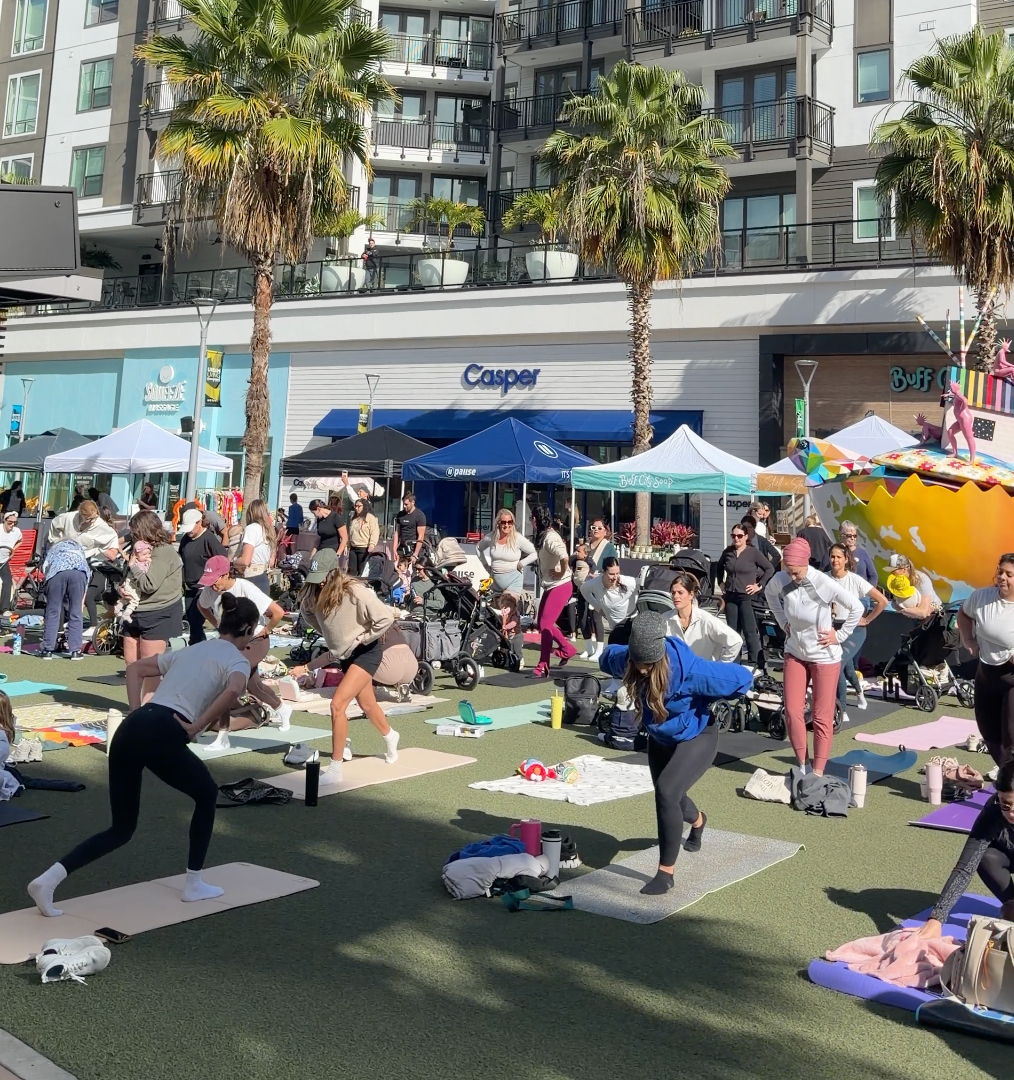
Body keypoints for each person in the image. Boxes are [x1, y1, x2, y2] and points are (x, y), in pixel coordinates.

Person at [27, 594, 263, 918]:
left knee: (121, 829)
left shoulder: (192, 649)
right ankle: (194, 884)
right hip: (164, 729)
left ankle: (47, 881)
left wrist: (136, 711)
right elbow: (234, 690)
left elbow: (135, 669)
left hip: (132, 727)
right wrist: (196, 726)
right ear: (248, 629)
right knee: (207, 794)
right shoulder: (237, 660)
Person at [600, 612, 753, 895]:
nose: (642, 670)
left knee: (667, 792)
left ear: (658, 658)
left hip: (697, 736)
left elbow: (742, 678)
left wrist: (717, 693)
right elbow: (607, 656)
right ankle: (698, 820)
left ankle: (665, 874)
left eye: (648, 665)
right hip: (660, 739)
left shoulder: (691, 671)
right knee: (672, 797)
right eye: (637, 663)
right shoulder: (628, 660)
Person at [291, 549, 400, 784]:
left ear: (333, 573)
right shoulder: (313, 593)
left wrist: (362, 638)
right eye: (315, 578)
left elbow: (385, 618)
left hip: (367, 651)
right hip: (346, 654)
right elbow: (310, 616)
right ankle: (391, 736)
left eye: (322, 578)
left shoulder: (355, 591)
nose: (318, 583)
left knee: (337, 705)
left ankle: (335, 768)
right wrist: (331, 638)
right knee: (367, 704)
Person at [765, 537, 863, 775]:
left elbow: (857, 607)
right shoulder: (781, 579)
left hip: (824, 657)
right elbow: (769, 594)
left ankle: (818, 771)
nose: (792, 576)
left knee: (821, 716)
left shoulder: (823, 582)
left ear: (806, 564)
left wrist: (839, 635)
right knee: (792, 711)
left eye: (796, 572)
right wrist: (783, 622)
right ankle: (803, 765)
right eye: (788, 571)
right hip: (795, 652)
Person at [195, 555, 290, 746]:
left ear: (225, 575)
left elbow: (278, 612)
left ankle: (221, 736)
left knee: (226, 681)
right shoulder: (210, 591)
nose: (212, 585)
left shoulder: (245, 587)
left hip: (254, 641)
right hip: (232, 643)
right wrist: (217, 624)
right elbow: (201, 606)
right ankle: (283, 709)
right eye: (208, 581)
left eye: (214, 580)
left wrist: (266, 630)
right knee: (254, 687)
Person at [918, 757, 1014, 939]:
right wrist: (936, 918)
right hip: (1008, 855)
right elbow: (965, 868)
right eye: (1005, 805)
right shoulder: (993, 810)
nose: (1011, 813)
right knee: (985, 856)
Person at [958, 553, 1014, 765]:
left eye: (1009, 575)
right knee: (989, 733)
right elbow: (964, 614)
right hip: (986, 674)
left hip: (1011, 677)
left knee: (1011, 736)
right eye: (1000, 572)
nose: (1002, 578)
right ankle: (1007, 777)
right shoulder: (981, 597)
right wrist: (968, 639)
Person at [121, 511, 184, 691]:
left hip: (158, 611)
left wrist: (133, 566)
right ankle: (134, 705)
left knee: (150, 668)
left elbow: (149, 585)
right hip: (135, 611)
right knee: (131, 664)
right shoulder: (138, 548)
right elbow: (128, 576)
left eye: (134, 532)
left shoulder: (163, 551)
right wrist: (122, 589)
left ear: (145, 530)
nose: (132, 535)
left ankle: (150, 705)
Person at [827, 542, 888, 724]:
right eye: (832, 556)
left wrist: (867, 619)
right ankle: (860, 692)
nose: (835, 560)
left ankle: (841, 710)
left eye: (839, 557)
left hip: (855, 630)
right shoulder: (824, 578)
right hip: (833, 628)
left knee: (837, 664)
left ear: (846, 559)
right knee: (846, 668)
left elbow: (883, 601)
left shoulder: (855, 580)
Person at [477, 509, 537, 667]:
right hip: (495, 584)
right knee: (498, 620)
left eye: (510, 522)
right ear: (498, 523)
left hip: (513, 583)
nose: (507, 525)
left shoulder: (517, 538)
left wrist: (522, 563)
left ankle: (518, 656)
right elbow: (478, 548)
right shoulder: (491, 537)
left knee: (511, 617)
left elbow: (533, 553)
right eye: (503, 522)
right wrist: (486, 566)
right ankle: (501, 651)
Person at [48, 500, 119, 628]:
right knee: (61, 593)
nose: (90, 521)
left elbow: (113, 540)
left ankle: (77, 623)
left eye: (93, 518)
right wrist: (56, 541)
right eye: (88, 519)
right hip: (66, 557)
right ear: (81, 515)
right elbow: (54, 524)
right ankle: (61, 625)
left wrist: (101, 550)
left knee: (79, 594)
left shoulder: (100, 525)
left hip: (85, 560)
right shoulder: (69, 517)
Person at [716, 523, 773, 668]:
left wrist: (759, 585)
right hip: (731, 596)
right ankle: (734, 662)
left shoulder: (753, 552)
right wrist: (720, 582)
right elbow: (718, 567)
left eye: (740, 536)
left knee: (749, 631)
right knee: (733, 631)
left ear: (746, 537)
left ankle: (754, 663)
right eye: (733, 536)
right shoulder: (728, 552)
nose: (736, 538)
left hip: (747, 597)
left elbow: (769, 568)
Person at [531, 505, 577, 679]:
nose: (531, 521)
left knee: (545, 624)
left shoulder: (551, 537)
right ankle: (567, 648)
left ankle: (543, 664)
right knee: (543, 624)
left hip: (561, 584)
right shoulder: (543, 535)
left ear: (535, 519)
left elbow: (565, 557)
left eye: (532, 518)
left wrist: (561, 572)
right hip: (552, 585)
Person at [665, 571, 743, 662]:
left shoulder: (706, 619)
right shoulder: (665, 619)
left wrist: (720, 665)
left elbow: (736, 641)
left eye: (680, 592)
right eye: (673, 593)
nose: (675, 596)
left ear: (691, 595)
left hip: (701, 669)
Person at [177, 508, 226, 645]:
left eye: (191, 527)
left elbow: (222, 559)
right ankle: (197, 646)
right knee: (190, 619)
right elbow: (182, 556)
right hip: (189, 586)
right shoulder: (186, 539)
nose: (189, 531)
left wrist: (214, 580)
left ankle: (199, 645)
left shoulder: (208, 538)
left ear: (199, 523)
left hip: (204, 586)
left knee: (196, 617)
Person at [38, 539, 90, 660]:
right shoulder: (79, 548)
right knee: (76, 612)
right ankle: (75, 651)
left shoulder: (54, 548)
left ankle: (47, 649)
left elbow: (45, 567)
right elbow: (86, 569)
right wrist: (82, 599)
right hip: (78, 573)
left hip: (56, 572)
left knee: (53, 611)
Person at [580, 557, 638, 660]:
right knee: (614, 658)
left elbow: (646, 584)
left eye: (617, 573)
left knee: (630, 658)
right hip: (615, 627)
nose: (615, 577)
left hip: (632, 622)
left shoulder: (629, 582)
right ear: (603, 572)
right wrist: (598, 607)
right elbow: (583, 590)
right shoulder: (595, 584)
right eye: (611, 574)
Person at [234, 498, 276, 594]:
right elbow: (271, 563)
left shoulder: (251, 529)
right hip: (263, 578)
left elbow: (246, 561)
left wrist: (233, 562)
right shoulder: (269, 531)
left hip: (251, 578)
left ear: (250, 513)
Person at [886, 553, 943, 620]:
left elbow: (923, 613)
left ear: (904, 570)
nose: (891, 573)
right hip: (911, 616)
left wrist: (901, 609)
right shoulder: (896, 581)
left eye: (893, 571)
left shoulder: (922, 580)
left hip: (932, 617)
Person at [348, 497, 380, 576]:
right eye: (355, 506)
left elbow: (375, 532)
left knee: (362, 571)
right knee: (351, 571)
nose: (356, 508)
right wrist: (347, 545)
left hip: (364, 548)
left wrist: (372, 544)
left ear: (364, 506)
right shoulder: (354, 518)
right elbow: (350, 533)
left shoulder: (370, 518)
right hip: (353, 548)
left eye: (359, 506)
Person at [838, 520, 877, 586]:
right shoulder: (835, 552)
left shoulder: (862, 553)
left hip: (862, 591)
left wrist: (868, 590)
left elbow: (873, 576)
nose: (853, 538)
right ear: (841, 536)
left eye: (855, 536)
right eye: (849, 536)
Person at [0, 510, 24, 616]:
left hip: (4, 561)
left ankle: (5, 609)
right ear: (4, 521)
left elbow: (21, 541)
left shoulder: (16, 532)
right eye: (10, 522)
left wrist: (13, 550)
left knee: (7, 582)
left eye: (15, 523)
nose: (12, 525)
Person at [394, 492, 426, 561]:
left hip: (413, 549)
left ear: (413, 502)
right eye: (403, 504)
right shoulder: (400, 514)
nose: (404, 506)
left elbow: (421, 536)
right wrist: (394, 549)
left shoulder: (419, 515)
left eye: (406, 504)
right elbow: (397, 532)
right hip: (401, 548)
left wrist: (415, 554)